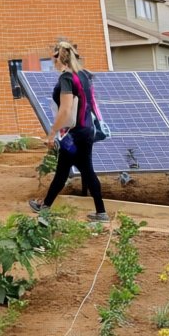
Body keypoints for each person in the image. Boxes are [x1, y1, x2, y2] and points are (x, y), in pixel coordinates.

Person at [29, 41, 109, 222]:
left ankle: (45, 208)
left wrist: (51, 134)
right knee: (79, 169)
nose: (52, 62)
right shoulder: (83, 75)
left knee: (69, 169)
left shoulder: (66, 78)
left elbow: (65, 110)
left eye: (53, 58)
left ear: (58, 58)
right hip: (87, 131)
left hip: (72, 135)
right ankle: (100, 212)